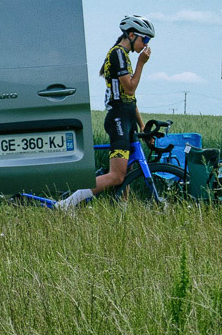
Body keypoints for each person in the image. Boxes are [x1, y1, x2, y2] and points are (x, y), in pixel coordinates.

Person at [57, 15, 154, 209]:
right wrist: (142, 64)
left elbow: (130, 100)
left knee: (127, 172)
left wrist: (143, 126)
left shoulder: (124, 56)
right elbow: (130, 89)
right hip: (117, 117)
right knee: (117, 176)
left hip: (127, 117)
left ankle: (122, 214)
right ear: (132, 35)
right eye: (145, 39)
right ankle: (67, 204)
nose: (146, 45)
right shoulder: (117, 54)